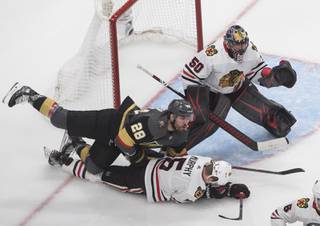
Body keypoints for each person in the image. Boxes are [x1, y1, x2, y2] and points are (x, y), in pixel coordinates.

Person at [3, 82, 194, 175]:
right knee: (60, 119)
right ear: (172, 116)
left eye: (189, 118)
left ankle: (73, 140)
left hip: (122, 137)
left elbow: (177, 154)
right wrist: (142, 159)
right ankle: (29, 94)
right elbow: (123, 141)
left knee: (94, 167)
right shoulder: (152, 124)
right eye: (183, 118)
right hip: (111, 123)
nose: (187, 123)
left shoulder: (181, 133)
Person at [180, 24, 297, 149]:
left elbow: (255, 71)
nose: (241, 49)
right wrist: (197, 102)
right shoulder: (211, 54)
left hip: (238, 86)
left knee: (276, 119)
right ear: (227, 43)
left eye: (243, 45)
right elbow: (189, 75)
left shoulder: (251, 50)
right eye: (237, 45)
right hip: (213, 93)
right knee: (205, 125)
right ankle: (177, 147)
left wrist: (271, 76)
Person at [46, 147, 250, 203]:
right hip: (143, 183)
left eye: (211, 174)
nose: (208, 171)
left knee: (105, 164)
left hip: (149, 162)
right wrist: (219, 191)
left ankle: (78, 148)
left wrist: (227, 187)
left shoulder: (205, 160)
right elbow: (181, 198)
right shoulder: (193, 190)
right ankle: (63, 161)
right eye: (210, 171)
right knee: (98, 175)